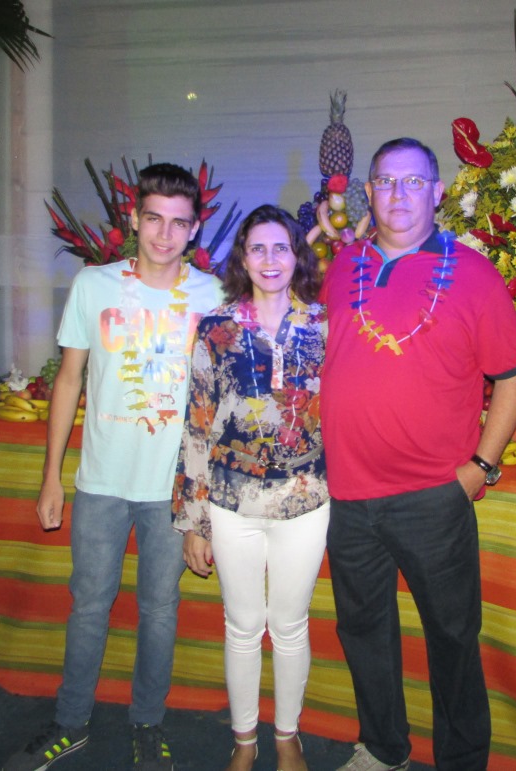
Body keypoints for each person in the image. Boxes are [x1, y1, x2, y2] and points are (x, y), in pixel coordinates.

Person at [3, 163, 223, 771]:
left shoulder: (212, 297)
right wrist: (51, 476)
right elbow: (68, 380)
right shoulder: (93, 285)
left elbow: (220, 400)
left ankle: (147, 724)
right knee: (88, 605)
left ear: (195, 229)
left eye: (178, 223)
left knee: (159, 610)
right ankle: (70, 722)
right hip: (101, 481)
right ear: (134, 219)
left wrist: (204, 501)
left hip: (171, 489)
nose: (164, 234)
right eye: (153, 218)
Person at [320, 138, 516, 771]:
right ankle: (384, 748)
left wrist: (480, 469)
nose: (399, 194)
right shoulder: (344, 265)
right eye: (386, 181)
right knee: (364, 633)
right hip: (349, 496)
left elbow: (512, 378)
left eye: (414, 182)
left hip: (434, 497)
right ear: (369, 191)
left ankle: (462, 760)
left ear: (437, 193)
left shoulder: (474, 274)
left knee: (452, 637)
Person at [174, 204, 328, 771]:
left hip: (305, 500)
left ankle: (287, 735)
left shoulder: (324, 325)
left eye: (280, 247)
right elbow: (197, 422)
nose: (269, 259)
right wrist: (194, 520)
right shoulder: (215, 327)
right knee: (241, 627)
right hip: (230, 501)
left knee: (289, 626)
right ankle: (244, 740)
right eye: (257, 248)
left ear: (297, 255)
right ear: (242, 257)